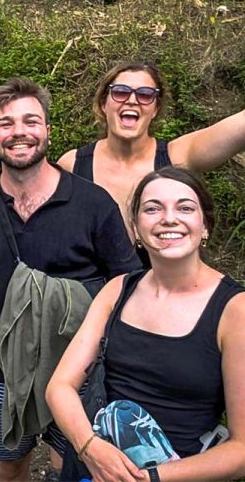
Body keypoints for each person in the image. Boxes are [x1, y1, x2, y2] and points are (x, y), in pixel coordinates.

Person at [0, 78, 139, 481]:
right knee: (9, 464)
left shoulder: (93, 203)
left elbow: (125, 283)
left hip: (76, 369)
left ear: (48, 130)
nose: (19, 132)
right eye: (5, 123)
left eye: (31, 121)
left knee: (69, 463)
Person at [46, 167, 245, 482]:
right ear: (136, 229)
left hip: (177, 473)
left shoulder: (235, 311)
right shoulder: (118, 290)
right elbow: (59, 386)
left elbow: (241, 450)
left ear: (205, 225)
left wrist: (148, 478)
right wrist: (90, 448)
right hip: (94, 463)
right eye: (152, 208)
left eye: (185, 207)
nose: (169, 218)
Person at [57, 62, 245, 238]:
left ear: (155, 108)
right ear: (103, 104)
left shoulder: (177, 156)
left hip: (164, 274)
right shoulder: (72, 164)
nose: (132, 100)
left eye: (145, 94)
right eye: (121, 92)